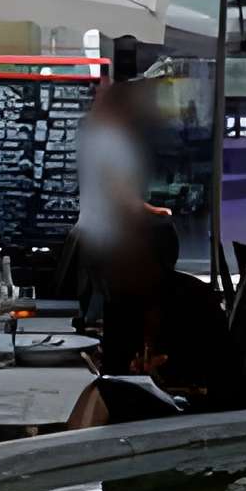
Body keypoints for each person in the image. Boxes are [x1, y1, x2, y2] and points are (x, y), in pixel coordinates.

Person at [74, 84, 172, 372]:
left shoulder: (93, 138)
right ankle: (125, 375)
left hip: (94, 236)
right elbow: (118, 191)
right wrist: (145, 219)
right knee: (127, 315)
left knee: (115, 313)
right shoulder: (113, 140)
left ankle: (116, 370)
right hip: (115, 241)